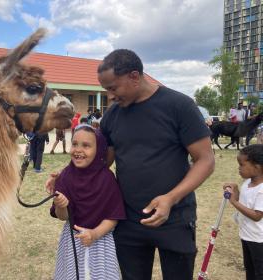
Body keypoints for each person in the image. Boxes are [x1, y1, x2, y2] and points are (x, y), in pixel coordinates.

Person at [48, 49, 215, 280]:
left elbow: (205, 160)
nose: (110, 96)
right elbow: (99, 163)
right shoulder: (113, 115)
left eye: (113, 88)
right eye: (106, 89)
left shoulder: (180, 106)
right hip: (128, 219)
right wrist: (65, 176)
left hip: (175, 217)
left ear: (134, 77)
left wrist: (171, 198)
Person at [50, 124, 126, 279]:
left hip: (100, 242)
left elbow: (113, 217)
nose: (78, 150)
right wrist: (61, 206)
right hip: (73, 240)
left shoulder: (107, 179)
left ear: (99, 150)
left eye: (86, 145)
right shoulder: (65, 176)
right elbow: (63, 217)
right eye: (75, 144)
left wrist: (95, 234)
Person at [223, 144, 263, 280]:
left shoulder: (262, 190)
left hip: (259, 239)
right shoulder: (248, 182)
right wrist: (235, 189)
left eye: (241, 165)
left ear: (257, 167)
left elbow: (257, 216)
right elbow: (245, 202)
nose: (239, 168)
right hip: (246, 235)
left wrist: (234, 202)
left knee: (260, 271)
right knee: (249, 267)